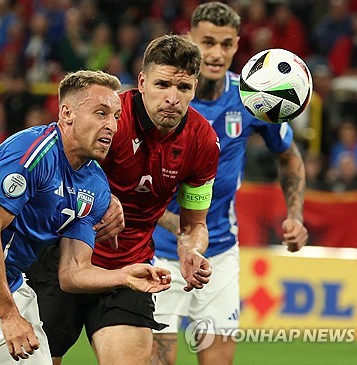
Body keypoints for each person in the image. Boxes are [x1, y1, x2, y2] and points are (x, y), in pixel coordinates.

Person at [0, 69, 172, 365]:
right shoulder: (31, 154)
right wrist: (9, 316)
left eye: (115, 117)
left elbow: (73, 272)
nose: (111, 126)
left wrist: (123, 275)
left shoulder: (96, 186)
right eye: (101, 113)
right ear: (66, 113)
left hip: (8, 292)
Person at [26, 34, 220, 365]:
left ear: (195, 88)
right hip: (61, 262)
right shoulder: (110, 117)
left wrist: (191, 250)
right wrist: (101, 196)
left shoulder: (203, 142)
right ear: (142, 82)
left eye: (184, 88)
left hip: (129, 269)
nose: (172, 98)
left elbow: (195, 223)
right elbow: (55, 166)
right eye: (162, 85)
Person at [151, 3, 309, 365]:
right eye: (207, 42)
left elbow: (289, 155)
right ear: (190, 39)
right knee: (159, 361)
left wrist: (295, 214)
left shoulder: (253, 97)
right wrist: (180, 228)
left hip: (219, 252)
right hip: (159, 252)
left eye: (226, 44)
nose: (217, 53)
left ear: (238, 44)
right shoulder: (167, 99)